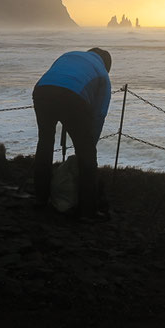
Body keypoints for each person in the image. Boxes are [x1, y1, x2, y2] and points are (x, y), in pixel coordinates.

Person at [32, 48, 112, 220]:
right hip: (73, 96)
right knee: (87, 156)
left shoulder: (69, 54)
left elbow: (58, 78)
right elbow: (99, 115)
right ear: (106, 65)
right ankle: (87, 211)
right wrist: (90, 144)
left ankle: (40, 198)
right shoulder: (103, 74)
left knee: (45, 143)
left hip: (42, 90)